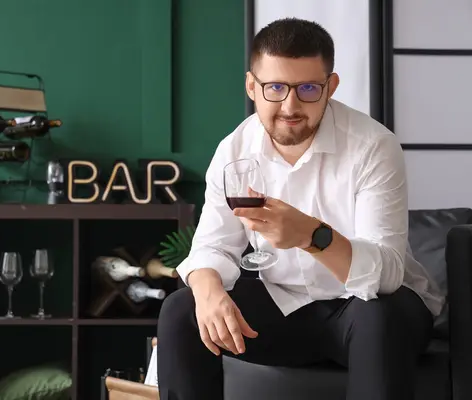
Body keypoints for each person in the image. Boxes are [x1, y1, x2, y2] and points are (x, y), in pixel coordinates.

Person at [156, 17, 444, 400]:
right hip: (284, 307)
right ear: (251, 87)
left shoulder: (373, 146)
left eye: (308, 88)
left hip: (370, 312)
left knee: (378, 315)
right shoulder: (234, 151)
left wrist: (311, 236)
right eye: (275, 87)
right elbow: (212, 247)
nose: (290, 106)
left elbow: (388, 274)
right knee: (181, 310)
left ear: (331, 87)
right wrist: (206, 290)